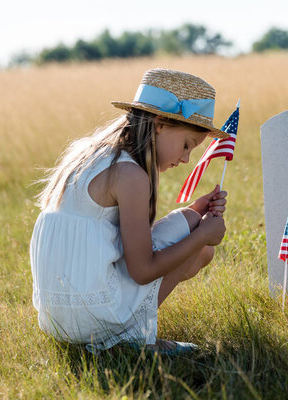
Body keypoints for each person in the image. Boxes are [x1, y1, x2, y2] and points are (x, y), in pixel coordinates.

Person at [30, 68, 228, 355]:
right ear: (159, 123)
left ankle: (128, 332)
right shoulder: (132, 176)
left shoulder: (91, 153)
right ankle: (134, 339)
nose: (186, 158)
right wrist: (202, 236)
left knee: (190, 221)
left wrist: (196, 213)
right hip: (92, 317)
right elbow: (142, 270)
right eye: (186, 145)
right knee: (201, 248)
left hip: (54, 317)